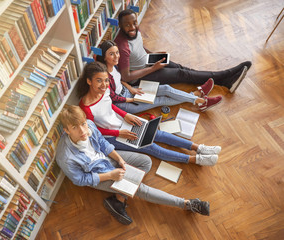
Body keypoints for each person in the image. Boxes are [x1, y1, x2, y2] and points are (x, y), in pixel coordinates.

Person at [56, 105, 211, 225]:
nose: (83, 130)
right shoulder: (65, 157)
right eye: (75, 127)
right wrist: (111, 175)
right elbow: (81, 180)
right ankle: (187, 204)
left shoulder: (89, 125)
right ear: (66, 130)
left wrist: (120, 160)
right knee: (141, 189)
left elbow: (102, 143)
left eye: (83, 124)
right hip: (98, 172)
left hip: (107, 158)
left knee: (146, 161)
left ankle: (119, 198)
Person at [77, 62, 221, 166]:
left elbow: (111, 106)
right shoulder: (85, 107)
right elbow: (96, 131)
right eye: (99, 81)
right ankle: (194, 160)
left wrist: (126, 114)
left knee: (158, 134)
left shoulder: (105, 91)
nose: (104, 85)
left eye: (106, 80)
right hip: (112, 136)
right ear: (89, 81)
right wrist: (119, 133)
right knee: (151, 147)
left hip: (123, 122)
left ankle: (199, 148)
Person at [114, 9, 252, 93]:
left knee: (181, 68)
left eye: (134, 22)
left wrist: (152, 54)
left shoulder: (134, 31)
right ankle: (226, 73)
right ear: (120, 26)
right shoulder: (122, 46)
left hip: (149, 62)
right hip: (140, 77)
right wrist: (154, 68)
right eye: (127, 25)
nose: (133, 27)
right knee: (181, 73)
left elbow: (139, 47)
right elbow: (126, 77)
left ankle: (225, 82)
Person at [97, 40, 223, 113]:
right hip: (125, 103)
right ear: (104, 57)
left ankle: (196, 96)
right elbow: (112, 97)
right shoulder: (104, 76)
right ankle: (199, 100)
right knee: (161, 100)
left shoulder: (115, 67)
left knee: (166, 89)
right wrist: (132, 99)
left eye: (117, 52)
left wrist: (131, 89)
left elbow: (121, 80)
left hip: (129, 91)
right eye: (111, 54)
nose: (117, 56)